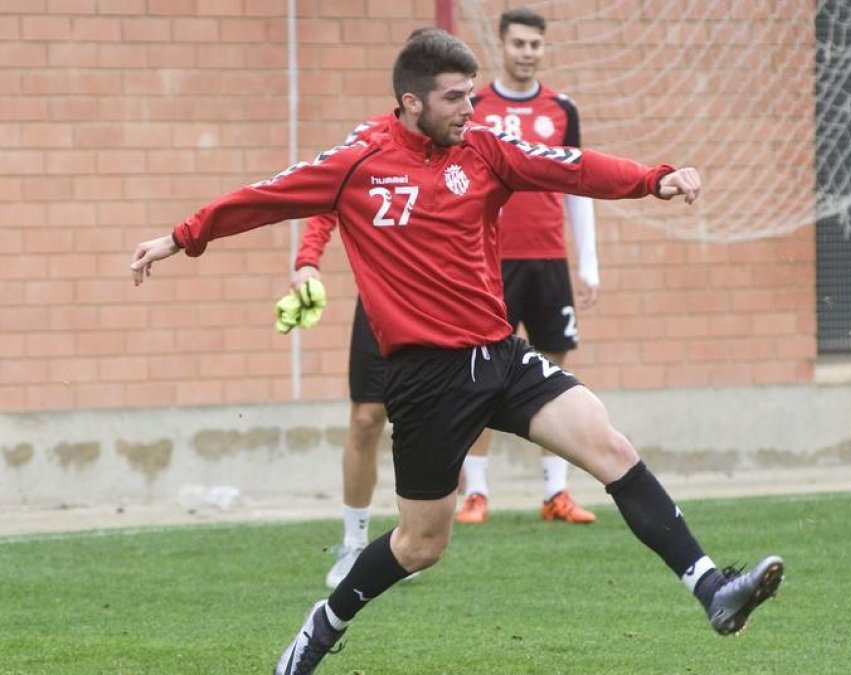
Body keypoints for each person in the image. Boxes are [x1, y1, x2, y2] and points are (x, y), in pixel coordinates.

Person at [130, 29, 783, 675]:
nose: (469, 110)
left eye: (471, 96)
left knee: (610, 445)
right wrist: (183, 237)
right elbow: (265, 196)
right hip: (424, 381)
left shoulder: (485, 150)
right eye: (454, 99)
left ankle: (711, 588)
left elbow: (570, 166)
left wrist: (653, 179)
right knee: (420, 544)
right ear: (412, 102)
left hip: (499, 356)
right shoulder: (359, 161)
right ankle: (323, 625)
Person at [458, 7, 598, 525]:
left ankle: (555, 493)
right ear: (501, 44)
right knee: (479, 375)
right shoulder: (473, 106)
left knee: (554, 371)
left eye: (535, 44)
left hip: (548, 261)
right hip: (487, 266)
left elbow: (579, 184)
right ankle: (475, 491)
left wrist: (589, 265)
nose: (527, 52)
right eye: (518, 43)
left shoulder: (562, 109)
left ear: (543, 48)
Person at [288, 117, 394, 589]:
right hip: (380, 303)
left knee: (429, 424)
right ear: (412, 94)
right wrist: (307, 260)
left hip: (447, 309)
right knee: (367, 419)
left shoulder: (467, 141)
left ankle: (411, 543)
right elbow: (326, 198)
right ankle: (354, 543)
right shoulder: (369, 139)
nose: (461, 103)